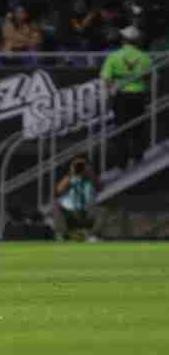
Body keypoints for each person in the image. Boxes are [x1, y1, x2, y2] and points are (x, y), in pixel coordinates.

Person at [100, 26, 151, 169]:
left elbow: (106, 79)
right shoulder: (144, 57)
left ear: (123, 40)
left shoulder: (113, 56)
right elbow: (150, 78)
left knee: (121, 129)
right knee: (138, 128)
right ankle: (138, 158)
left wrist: (108, 97)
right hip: (139, 96)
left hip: (121, 96)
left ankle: (122, 163)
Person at [52, 158, 104, 242]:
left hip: (87, 212)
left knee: (102, 212)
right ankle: (64, 235)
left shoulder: (91, 180)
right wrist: (71, 174)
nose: (81, 169)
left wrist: (90, 174)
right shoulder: (70, 179)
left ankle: (92, 236)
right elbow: (58, 190)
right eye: (79, 167)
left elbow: (100, 187)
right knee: (56, 206)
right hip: (71, 213)